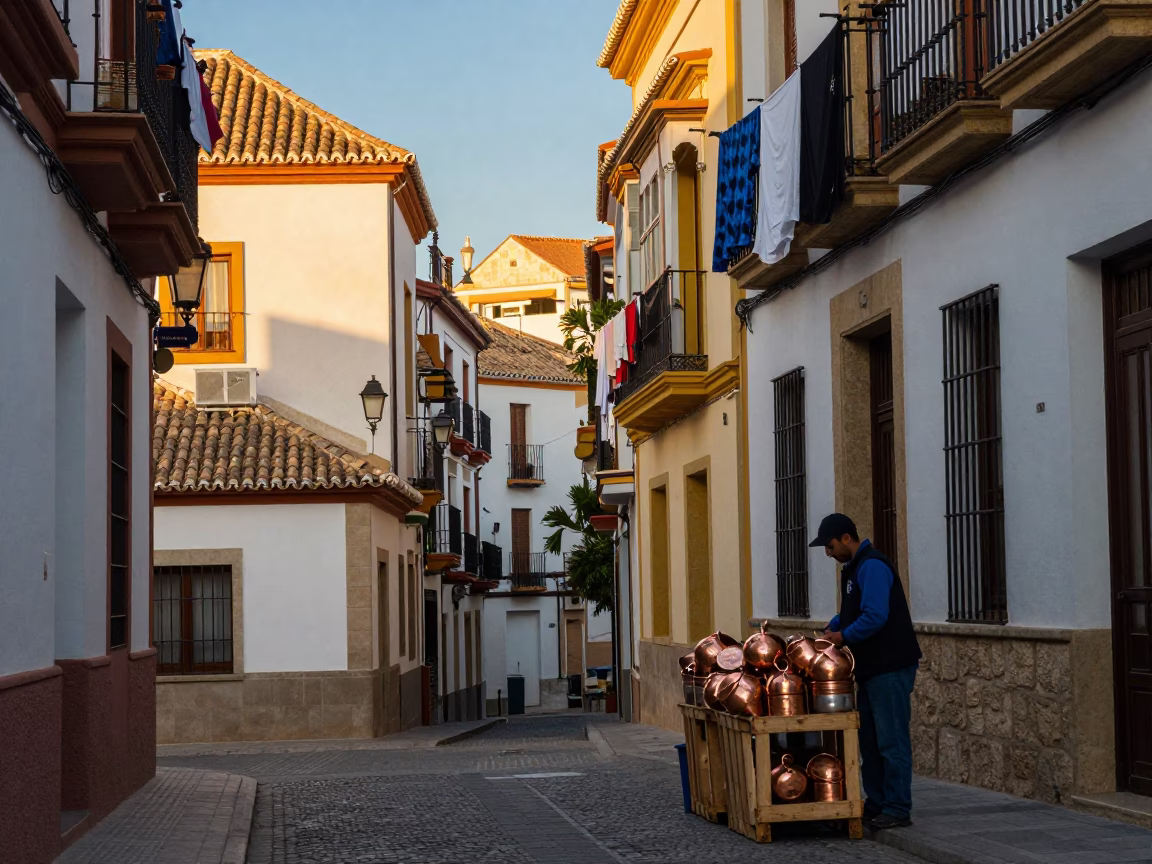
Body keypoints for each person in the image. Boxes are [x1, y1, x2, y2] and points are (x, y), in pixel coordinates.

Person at [810, 512, 922, 830]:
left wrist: (842, 637)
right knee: (870, 742)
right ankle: (876, 804)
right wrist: (831, 627)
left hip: (890, 667)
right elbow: (851, 610)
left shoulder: (872, 565)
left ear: (846, 538)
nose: (828, 554)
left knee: (891, 741)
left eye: (830, 547)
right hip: (871, 670)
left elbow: (874, 615)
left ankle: (898, 807)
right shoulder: (853, 569)